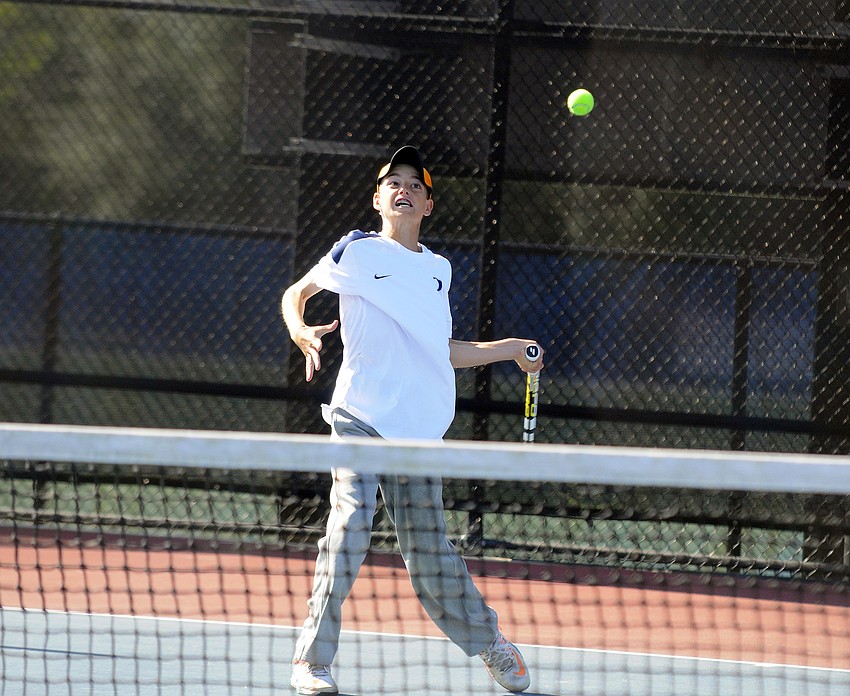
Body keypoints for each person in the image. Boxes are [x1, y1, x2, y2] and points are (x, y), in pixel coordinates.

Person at [281, 145, 544, 695]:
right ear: (378, 198)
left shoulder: (437, 272)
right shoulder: (353, 252)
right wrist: (300, 328)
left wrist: (507, 348)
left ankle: (491, 644)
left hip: (417, 434)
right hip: (358, 419)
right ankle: (312, 661)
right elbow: (296, 294)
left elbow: (440, 351)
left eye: (416, 185)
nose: (404, 189)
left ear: (428, 205)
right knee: (349, 527)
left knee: (429, 557)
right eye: (393, 182)